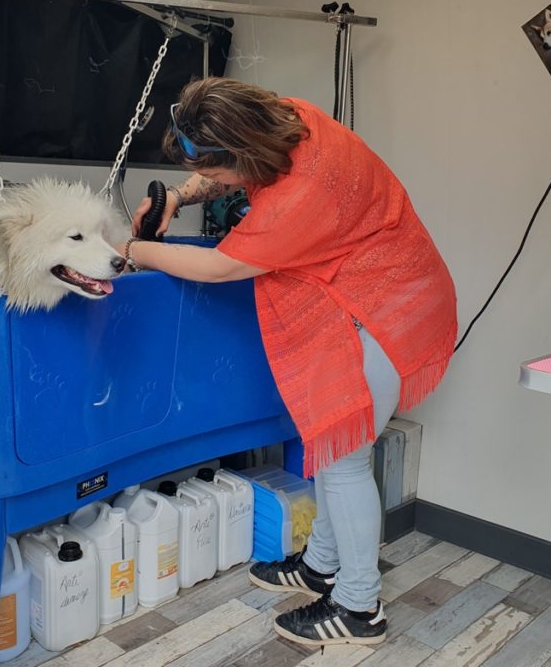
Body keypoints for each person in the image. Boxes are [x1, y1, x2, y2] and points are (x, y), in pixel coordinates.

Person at [119, 76, 457, 647]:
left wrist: (129, 251)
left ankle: (357, 608)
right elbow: (224, 170)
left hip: (379, 309)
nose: (220, 184)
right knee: (332, 455)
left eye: (222, 174)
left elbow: (222, 267)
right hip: (389, 290)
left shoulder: (301, 194)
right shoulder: (287, 116)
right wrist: (177, 197)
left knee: (345, 462)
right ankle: (321, 565)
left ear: (244, 154)